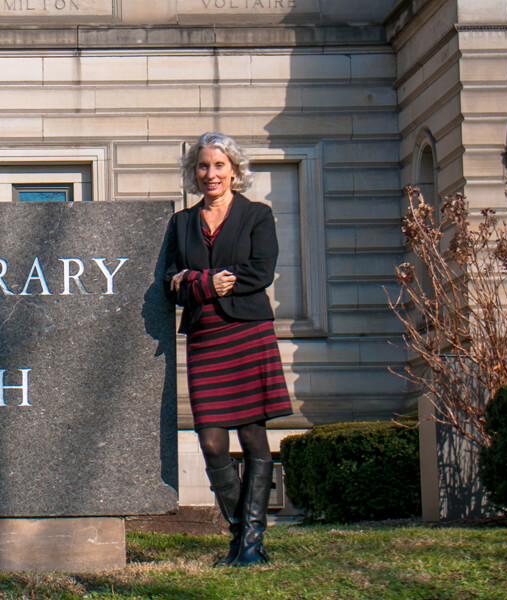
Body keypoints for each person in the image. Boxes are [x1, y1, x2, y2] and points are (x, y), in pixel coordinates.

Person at [164, 132, 293, 567]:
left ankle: (251, 545)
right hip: (205, 336)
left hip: (248, 331)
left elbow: (262, 270)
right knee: (212, 441)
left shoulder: (257, 215)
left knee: (253, 433)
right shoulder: (180, 223)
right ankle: (241, 535)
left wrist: (202, 278)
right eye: (203, 166)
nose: (210, 174)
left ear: (234, 171)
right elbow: (170, 280)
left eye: (219, 166)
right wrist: (202, 282)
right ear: (194, 172)